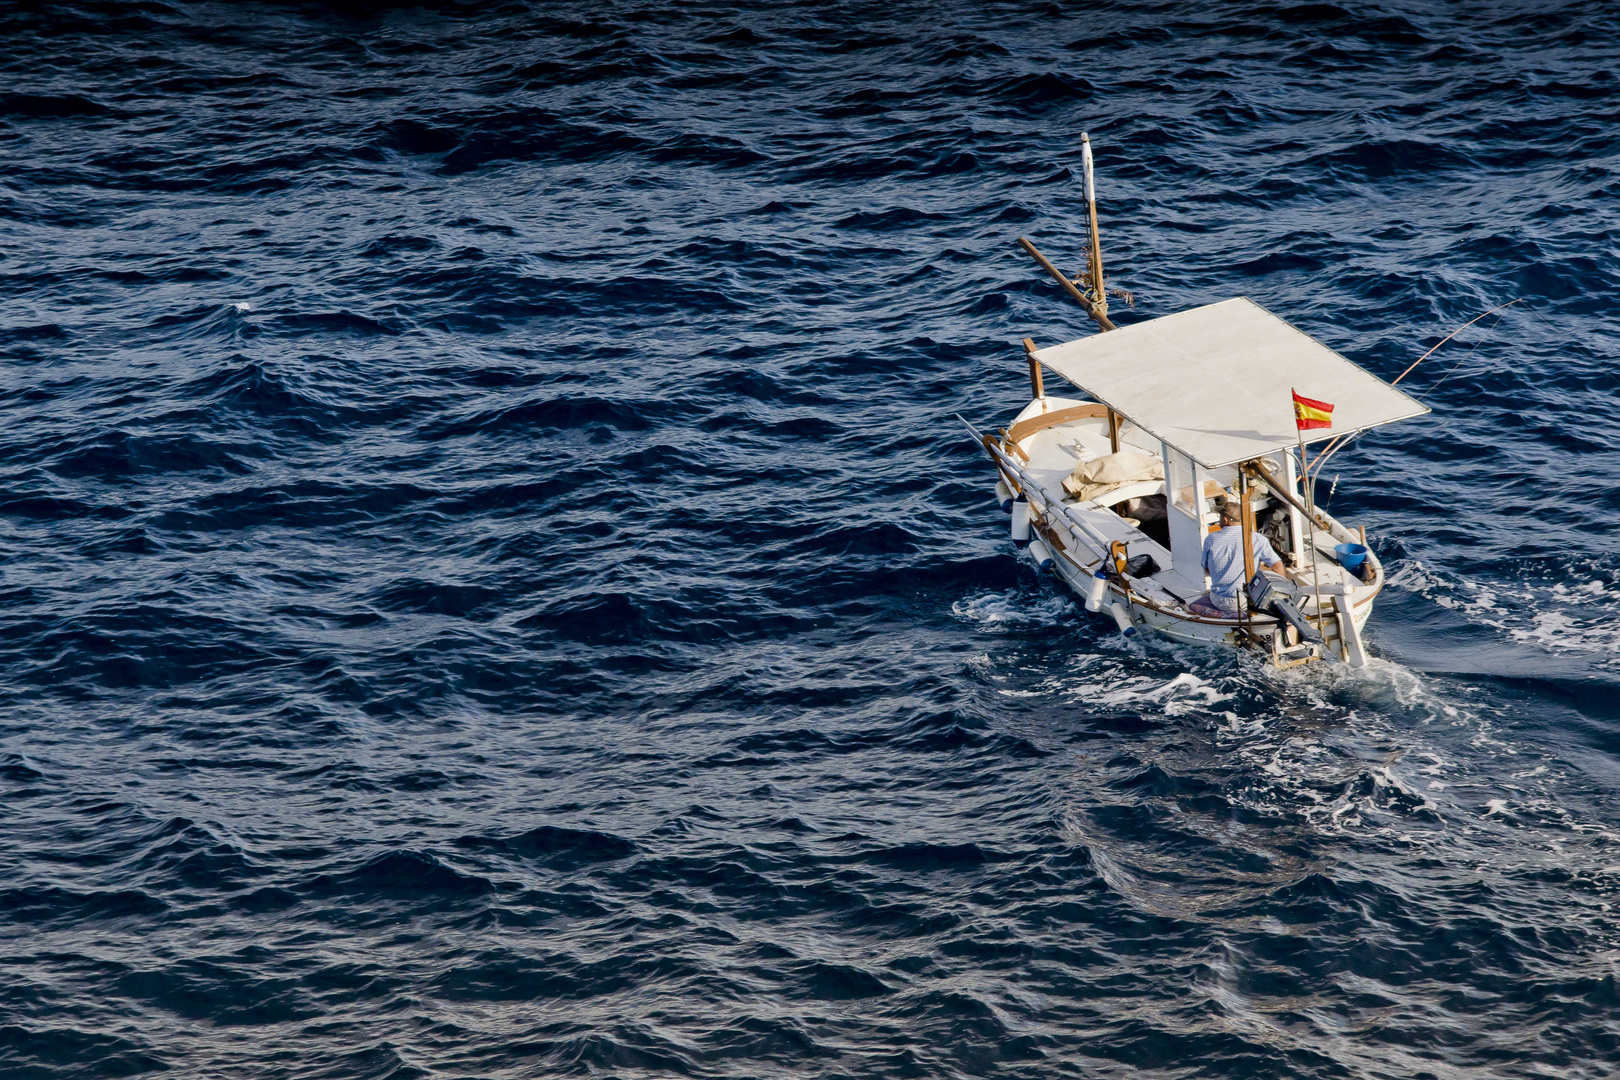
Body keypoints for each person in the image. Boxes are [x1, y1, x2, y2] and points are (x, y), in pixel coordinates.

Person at [1189, 497, 1295, 617]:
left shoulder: (1211, 539)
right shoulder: (1258, 539)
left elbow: (1207, 568)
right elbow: (1277, 565)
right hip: (1248, 600)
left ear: (1225, 519)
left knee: (1194, 605)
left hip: (1220, 600)